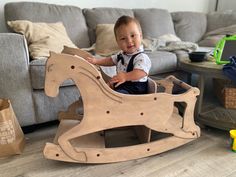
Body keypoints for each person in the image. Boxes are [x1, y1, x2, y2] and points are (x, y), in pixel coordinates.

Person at [86, 15, 151, 94]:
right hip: (123, 85)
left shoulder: (141, 57)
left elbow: (141, 72)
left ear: (140, 36)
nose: (129, 41)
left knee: (116, 95)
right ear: (118, 42)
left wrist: (125, 76)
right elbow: (110, 60)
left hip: (135, 89)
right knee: (106, 86)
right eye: (123, 38)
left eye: (133, 36)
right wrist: (96, 61)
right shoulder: (121, 54)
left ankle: (111, 101)